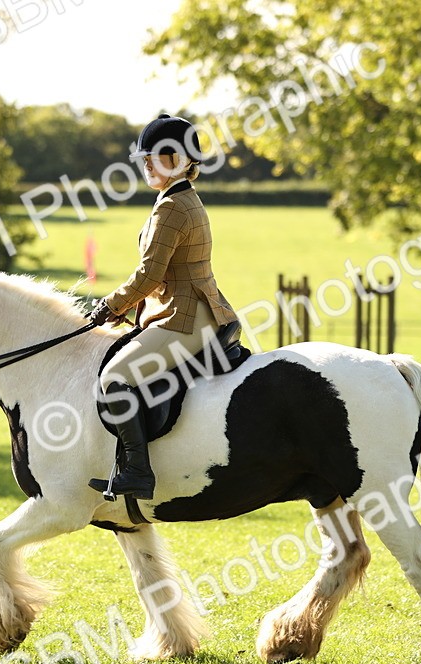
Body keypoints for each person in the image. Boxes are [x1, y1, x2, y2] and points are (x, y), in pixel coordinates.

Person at [86, 113, 239, 500]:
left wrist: (109, 305)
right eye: (145, 157)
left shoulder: (172, 206)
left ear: (186, 160)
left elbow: (149, 275)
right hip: (192, 310)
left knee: (114, 379)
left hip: (182, 318)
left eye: (159, 155)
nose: (149, 163)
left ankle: (137, 470)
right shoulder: (177, 198)